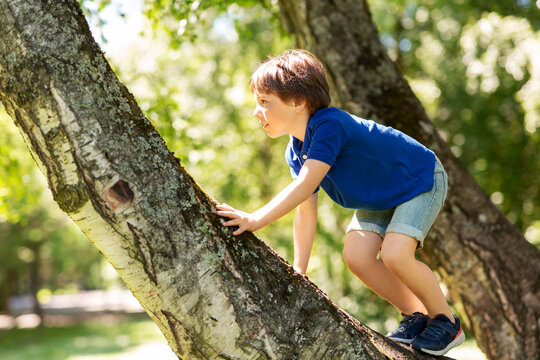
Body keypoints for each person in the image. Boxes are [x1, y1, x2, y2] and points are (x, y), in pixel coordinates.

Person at [216, 49, 465, 356]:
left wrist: (254, 220)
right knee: (357, 257)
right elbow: (304, 211)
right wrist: (299, 270)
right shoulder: (295, 151)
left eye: (264, 102)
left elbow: (306, 183)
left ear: (297, 102)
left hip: (417, 179)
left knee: (396, 254)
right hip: (380, 195)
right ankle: (418, 316)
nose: (256, 111)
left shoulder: (329, 125)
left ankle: (447, 322)